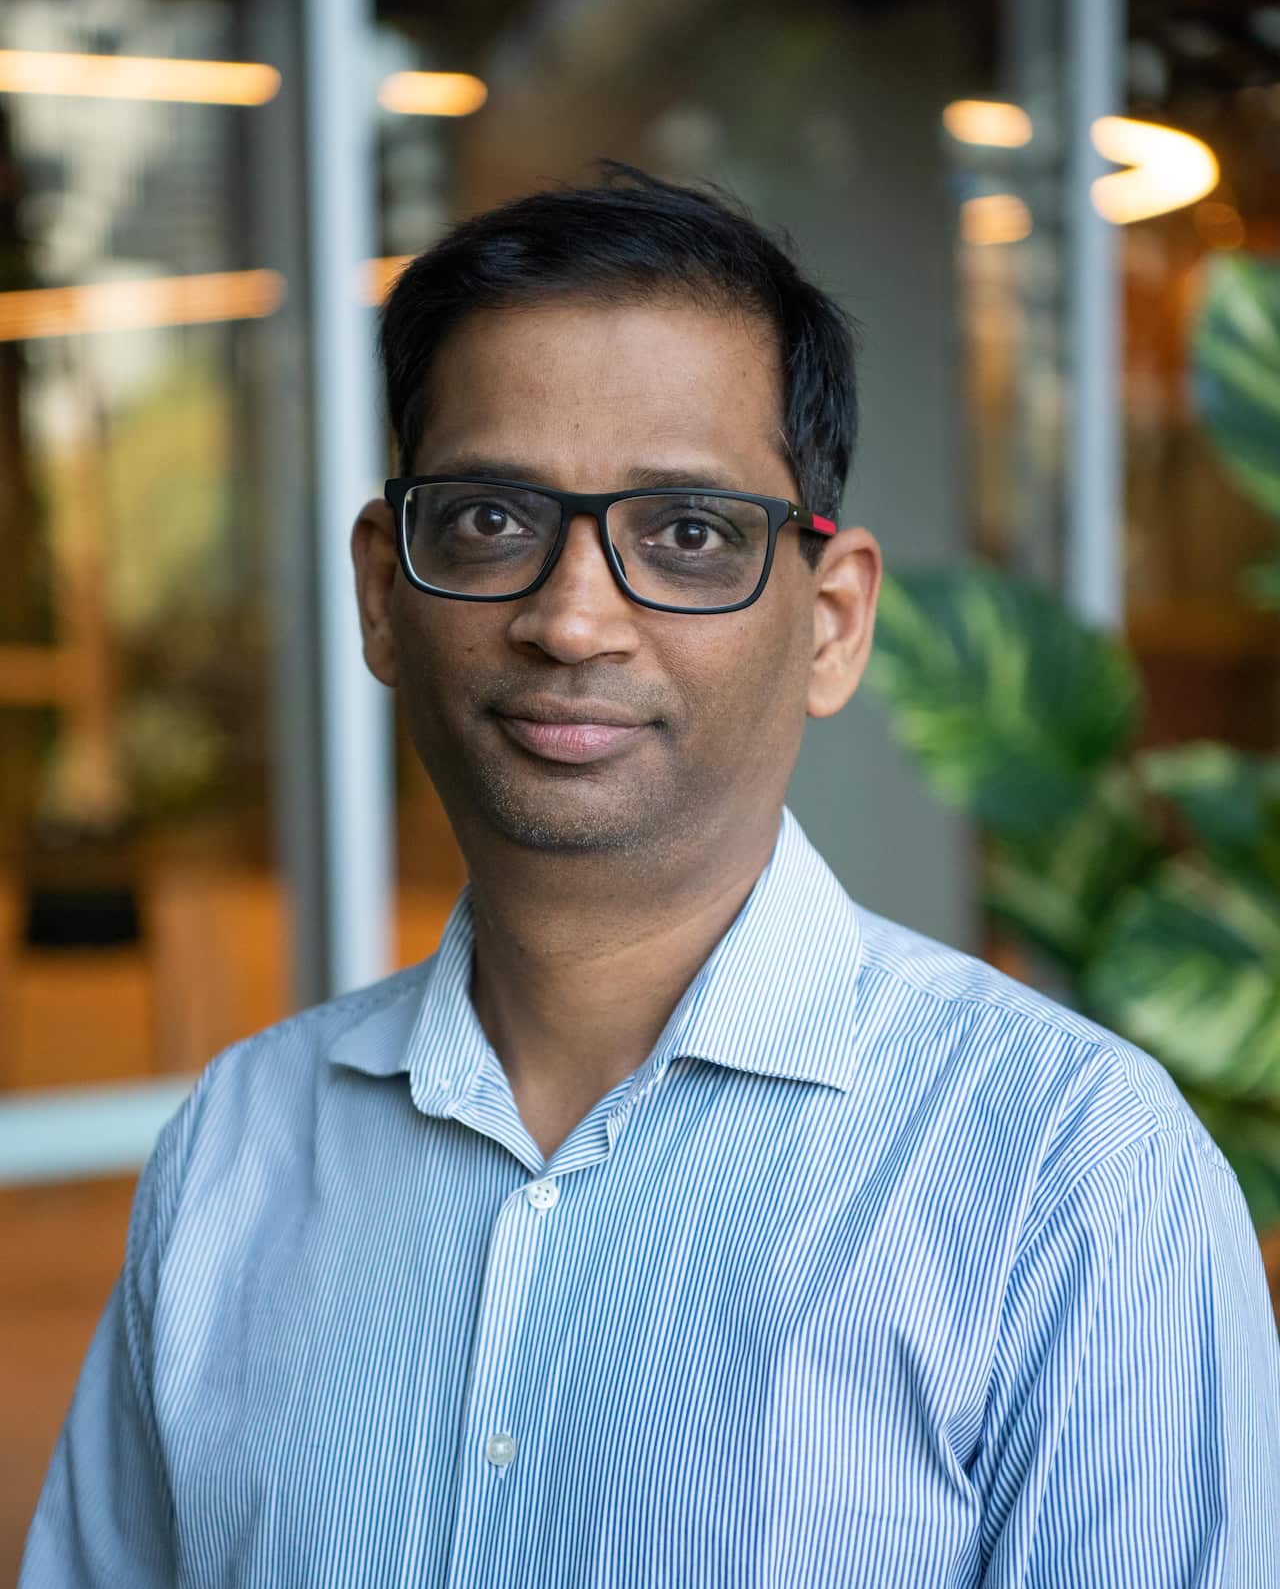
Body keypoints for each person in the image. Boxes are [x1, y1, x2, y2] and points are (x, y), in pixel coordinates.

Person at [20, 164, 1280, 1588]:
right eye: (492, 521)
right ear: (386, 592)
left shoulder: (1072, 1175)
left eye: (686, 535)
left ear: (834, 622)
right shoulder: (239, 1151)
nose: (571, 619)